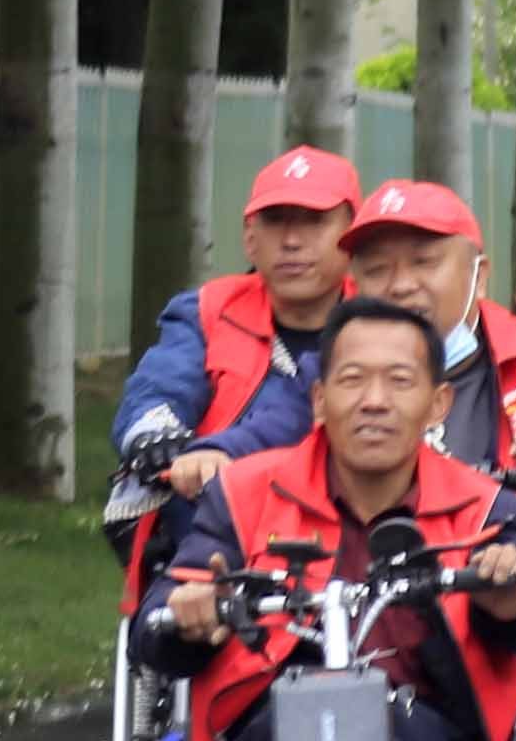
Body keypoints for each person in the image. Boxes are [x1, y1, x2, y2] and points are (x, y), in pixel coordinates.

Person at [206, 177, 516, 737]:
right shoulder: (343, 373)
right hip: (351, 605)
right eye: (375, 270)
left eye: (423, 262)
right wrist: (212, 453)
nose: (400, 286)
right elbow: (272, 431)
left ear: (479, 275)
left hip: (510, 617)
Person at [133, 299, 516, 741]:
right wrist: (192, 614)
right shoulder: (247, 493)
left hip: (427, 734)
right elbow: (158, 623)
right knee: (300, 735)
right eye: (352, 380)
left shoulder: (486, 506)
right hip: (274, 732)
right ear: (320, 400)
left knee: (385, 735)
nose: (374, 401)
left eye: (399, 381)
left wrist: (508, 603)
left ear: (438, 404)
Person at [109, 144, 363, 514]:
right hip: (214, 531)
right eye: (275, 220)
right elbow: (161, 386)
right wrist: (154, 434)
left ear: (353, 236)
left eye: (314, 219)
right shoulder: (206, 312)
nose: (292, 241)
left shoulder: (385, 325)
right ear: (249, 238)